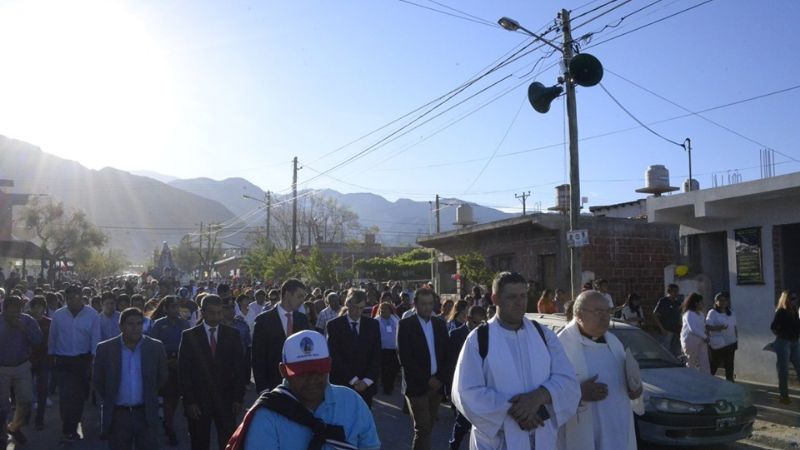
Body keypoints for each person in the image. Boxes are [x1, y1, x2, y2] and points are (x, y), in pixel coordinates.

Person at [452, 272, 579, 450]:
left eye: (523, 296)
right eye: (512, 297)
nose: (520, 303)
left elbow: (567, 379)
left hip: (542, 436)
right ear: (495, 299)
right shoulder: (479, 340)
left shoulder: (543, 335)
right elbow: (466, 392)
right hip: (499, 441)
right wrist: (518, 411)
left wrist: (539, 396)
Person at [235, 330, 380, 449]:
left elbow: (371, 446)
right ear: (283, 371)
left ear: (329, 366)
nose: (312, 380)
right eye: (302, 373)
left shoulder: (353, 402)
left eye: (319, 371)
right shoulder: (267, 415)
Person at [93, 308, 168, 450]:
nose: (135, 328)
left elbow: (162, 377)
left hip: (145, 413)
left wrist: (150, 395)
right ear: (121, 326)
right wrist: (111, 398)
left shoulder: (155, 347)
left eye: (139, 324)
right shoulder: (105, 349)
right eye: (130, 324)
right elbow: (98, 380)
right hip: (119, 414)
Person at [178, 294, 245, 450]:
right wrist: (189, 401)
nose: (216, 317)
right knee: (199, 441)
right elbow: (184, 372)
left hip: (226, 399)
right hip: (199, 400)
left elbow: (239, 368)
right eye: (211, 312)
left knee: (228, 442)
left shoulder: (232, 334)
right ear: (202, 312)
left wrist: (238, 397)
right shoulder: (189, 336)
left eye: (219, 312)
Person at [397, 287, 449, 450]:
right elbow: (405, 358)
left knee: (428, 427)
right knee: (423, 428)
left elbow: (446, 354)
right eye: (423, 304)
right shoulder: (405, 325)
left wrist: (440, 379)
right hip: (417, 386)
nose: (428, 307)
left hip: (437, 385)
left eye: (430, 304)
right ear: (415, 304)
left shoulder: (440, 324)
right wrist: (428, 379)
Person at [49, 284, 99, 442]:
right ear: (65, 299)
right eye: (70, 298)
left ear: (82, 297)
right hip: (63, 360)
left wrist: (94, 360)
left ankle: (75, 421)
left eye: (77, 297)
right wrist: (51, 356)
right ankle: (68, 428)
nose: (73, 301)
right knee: (65, 396)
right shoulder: (58, 315)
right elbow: (53, 336)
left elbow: (95, 339)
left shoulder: (92, 314)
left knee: (78, 396)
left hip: (82, 361)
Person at [252, 279, 310, 393]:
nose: (302, 301)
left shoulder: (302, 319)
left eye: (303, 297)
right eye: (299, 296)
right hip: (272, 384)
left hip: (298, 385)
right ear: (287, 294)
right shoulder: (263, 320)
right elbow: (257, 357)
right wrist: (263, 388)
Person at [0, 295, 43, 446]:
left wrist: (22, 328)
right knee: (2, 406)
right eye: (11, 312)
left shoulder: (27, 320)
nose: (14, 315)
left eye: (17, 311)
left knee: (26, 400)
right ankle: (2, 434)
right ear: (4, 311)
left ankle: (14, 427)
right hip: (2, 368)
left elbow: (38, 340)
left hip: (22, 366)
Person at [326, 289, 381, 407]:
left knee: (364, 421)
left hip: (366, 386)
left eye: (361, 308)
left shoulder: (373, 325)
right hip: (343, 383)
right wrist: (354, 380)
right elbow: (335, 357)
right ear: (347, 304)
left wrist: (366, 381)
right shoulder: (334, 325)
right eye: (355, 307)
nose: (358, 312)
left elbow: (376, 355)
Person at [148, 295, 189, 445]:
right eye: (172, 306)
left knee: (177, 398)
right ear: (165, 308)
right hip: (165, 365)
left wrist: (179, 359)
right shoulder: (158, 324)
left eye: (177, 306)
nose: (175, 309)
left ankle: (170, 421)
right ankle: (169, 426)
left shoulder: (184, 324)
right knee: (168, 399)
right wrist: (165, 361)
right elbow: (153, 346)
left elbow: (189, 345)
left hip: (181, 363)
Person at [446, 305, 486, 450]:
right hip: (462, 385)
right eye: (476, 323)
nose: (480, 326)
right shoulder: (456, 334)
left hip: (481, 386)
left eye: (483, 323)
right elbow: (449, 363)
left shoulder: (486, 335)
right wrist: (450, 389)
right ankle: (454, 445)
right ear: (468, 319)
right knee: (462, 421)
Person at [770, 290, 800, 404]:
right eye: (792, 298)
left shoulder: (794, 310)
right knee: (784, 371)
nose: (794, 301)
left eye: (795, 298)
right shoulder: (781, 311)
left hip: (795, 342)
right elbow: (773, 327)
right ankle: (784, 396)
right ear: (786, 299)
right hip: (784, 342)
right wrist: (782, 335)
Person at [27, 295, 51, 431]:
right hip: (27, 361)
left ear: (44, 308)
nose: (37, 309)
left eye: (40, 306)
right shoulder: (26, 322)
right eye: (35, 306)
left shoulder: (49, 322)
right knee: (26, 392)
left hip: (44, 361)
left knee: (42, 391)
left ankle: (39, 419)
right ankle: (26, 416)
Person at [706, 292, 737, 382]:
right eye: (720, 300)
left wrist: (736, 339)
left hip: (731, 342)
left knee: (729, 364)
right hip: (718, 343)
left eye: (725, 300)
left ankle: (730, 381)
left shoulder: (731, 313)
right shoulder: (712, 313)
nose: (723, 302)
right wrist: (719, 328)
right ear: (716, 302)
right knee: (714, 363)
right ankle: (708, 380)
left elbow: (735, 327)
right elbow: (707, 326)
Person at [680, 293, 710, 374]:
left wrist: (706, 334)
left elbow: (703, 326)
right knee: (691, 362)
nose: (703, 304)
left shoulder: (701, 314)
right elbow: (692, 328)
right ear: (696, 303)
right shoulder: (689, 313)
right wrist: (705, 336)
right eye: (701, 302)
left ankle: (706, 379)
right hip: (690, 340)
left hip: (701, 340)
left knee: (704, 362)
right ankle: (689, 379)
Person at [376, 301, 400, 395]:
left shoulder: (395, 319)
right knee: (385, 370)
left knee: (394, 369)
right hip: (382, 349)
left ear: (390, 310)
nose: (383, 311)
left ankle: (390, 384)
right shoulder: (376, 321)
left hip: (394, 349)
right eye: (382, 309)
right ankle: (387, 387)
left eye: (386, 309)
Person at [653, 284, 682, 356]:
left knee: (676, 352)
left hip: (676, 331)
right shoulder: (663, 301)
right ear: (669, 291)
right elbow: (655, 315)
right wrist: (662, 328)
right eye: (674, 291)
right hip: (666, 331)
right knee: (665, 352)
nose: (676, 293)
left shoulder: (677, 303)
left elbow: (680, 316)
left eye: (677, 291)